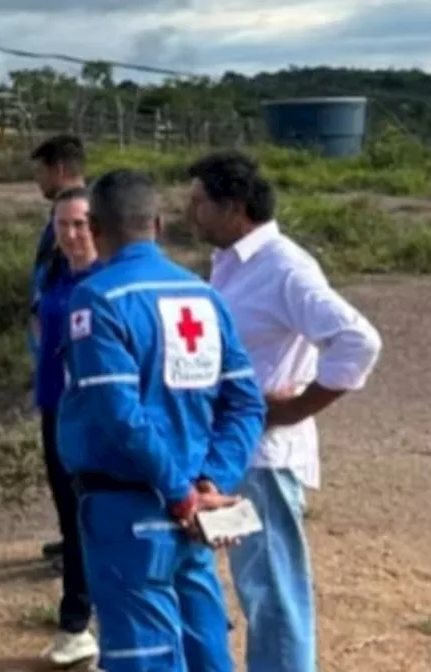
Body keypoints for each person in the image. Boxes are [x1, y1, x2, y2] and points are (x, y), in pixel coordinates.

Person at [56, 168, 268, 671]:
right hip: (194, 514)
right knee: (205, 651)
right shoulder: (204, 296)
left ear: (98, 232)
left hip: (130, 511)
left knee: (142, 658)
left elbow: (120, 415)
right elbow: (246, 403)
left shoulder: (98, 298)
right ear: (158, 224)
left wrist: (182, 495)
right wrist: (209, 480)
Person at [185, 151, 383, 672]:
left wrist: (296, 407)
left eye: (199, 202)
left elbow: (358, 341)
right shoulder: (230, 264)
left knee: (274, 593)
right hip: (235, 454)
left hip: (266, 461)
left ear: (233, 206)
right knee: (256, 588)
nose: (191, 214)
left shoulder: (284, 268)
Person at [29, 187, 101, 666]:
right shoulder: (51, 272)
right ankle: (77, 623)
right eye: (63, 225)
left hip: (97, 415)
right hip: (56, 409)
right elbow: (36, 323)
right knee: (69, 517)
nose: (72, 234)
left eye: (81, 224)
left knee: (97, 516)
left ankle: (83, 619)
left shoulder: (109, 278)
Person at [27, 134, 87, 567]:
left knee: (72, 471)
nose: (37, 180)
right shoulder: (58, 218)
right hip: (50, 361)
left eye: (41, 170)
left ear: (60, 169)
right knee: (58, 469)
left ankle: (79, 552)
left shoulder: (82, 216)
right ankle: (71, 539)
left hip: (74, 369)